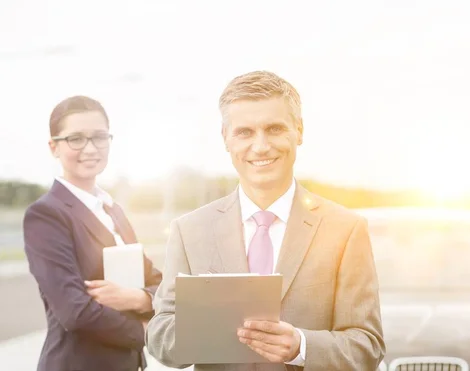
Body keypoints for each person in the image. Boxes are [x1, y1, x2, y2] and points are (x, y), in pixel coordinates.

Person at [146, 71, 385, 370]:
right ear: (226, 139)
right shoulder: (189, 231)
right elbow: (159, 336)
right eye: (244, 132)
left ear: (298, 130)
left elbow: (368, 347)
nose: (260, 146)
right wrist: (208, 327)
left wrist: (302, 345)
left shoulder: (346, 229)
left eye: (274, 129)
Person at [23, 95, 163, 371]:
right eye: (76, 138)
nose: (90, 148)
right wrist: (144, 332)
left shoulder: (114, 211)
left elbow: (159, 282)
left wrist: (139, 298)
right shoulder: (46, 215)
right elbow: (75, 311)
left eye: (99, 137)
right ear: (54, 147)